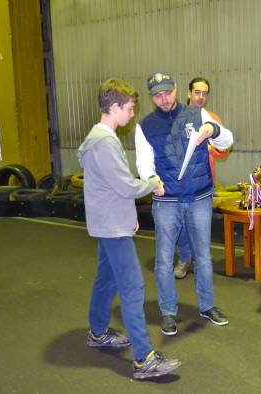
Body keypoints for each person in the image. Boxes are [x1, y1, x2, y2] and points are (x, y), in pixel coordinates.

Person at [78, 78, 181, 379]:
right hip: (112, 227)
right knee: (133, 287)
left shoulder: (100, 137)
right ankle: (143, 359)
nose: (133, 114)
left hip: (110, 221)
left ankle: (98, 332)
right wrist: (152, 184)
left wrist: (128, 215)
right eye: (130, 108)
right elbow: (125, 185)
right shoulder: (105, 142)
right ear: (114, 107)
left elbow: (110, 185)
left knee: (106, 279)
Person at [135, 71, 233, 336]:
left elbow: (227, 141)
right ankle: (168, 311)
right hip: (166, 202)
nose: (164, 99)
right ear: (151, 97)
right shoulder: (145, 126)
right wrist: (151, 178)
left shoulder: (198, 114)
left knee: (204, 257)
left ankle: (207, 305)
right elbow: (143, 163)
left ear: (177, 89)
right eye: (158, 95)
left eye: (168, 92)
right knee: (164, 261)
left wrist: (214, 130)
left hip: (199, 198)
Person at [173, 77, 230, 279]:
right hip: (179, 183)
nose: (200, 97)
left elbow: (224, 151)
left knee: (200, 225)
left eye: (204, 93)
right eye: (197, 92)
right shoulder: (176, 117)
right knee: (181, 225)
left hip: (204, 182)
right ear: (188, 93)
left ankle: (200, 259)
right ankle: (184, 258)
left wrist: (209, 148)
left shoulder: (212, 119)